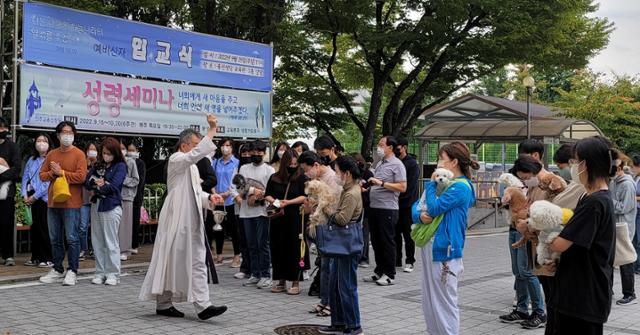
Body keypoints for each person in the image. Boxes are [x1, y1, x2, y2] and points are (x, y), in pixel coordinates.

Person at [139, 114, 228, 320]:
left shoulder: (192, 168)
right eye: (195, 144)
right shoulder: (177, 159)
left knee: (196, 259)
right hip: (176, 218)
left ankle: (203, 305)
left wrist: (209, 197)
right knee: (169, 259)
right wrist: (212, 129)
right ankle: (164, 304)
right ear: (185, 144)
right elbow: (195, 155)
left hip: (191, 218)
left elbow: (196, 192)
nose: (198, 149)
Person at [548, 136, 616, 334]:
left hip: (582, 297)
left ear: (585, 164)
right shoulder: (594, 197)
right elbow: (578, 243)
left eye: (575, 161)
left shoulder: (594, 202)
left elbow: (560, 243)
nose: (573, 166)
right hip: (581, 292)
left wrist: (542, 230)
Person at [412, 141, 477, 335]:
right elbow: (417, 205)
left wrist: (432, 184)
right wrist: (418, 216)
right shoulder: (446, 184)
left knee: (444, 301)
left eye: (442, 159)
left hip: (445, 248)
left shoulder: (461, 187)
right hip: (429, 243)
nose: (438, 163)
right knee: (429, 298)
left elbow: (434, 207)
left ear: (454, 162)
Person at [318, 156, 364, 335]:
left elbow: (342, 219)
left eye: (337, 171)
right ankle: (338, 322)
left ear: (347, 173)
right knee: (335, 284)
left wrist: (325, 208)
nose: (336, 175)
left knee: (346, 286)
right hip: (342, 245)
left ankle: (354, 325)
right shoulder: (348, 189)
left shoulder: (352, 192)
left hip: (347, 245)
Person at [500, 155, 547, 328]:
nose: (524, 180)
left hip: (529, 233)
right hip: (514, 229)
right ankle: (521, 309)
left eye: (526, 177)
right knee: (518, 272)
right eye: (521, 177)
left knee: (528, 272)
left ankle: (539, 312)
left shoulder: (543, 185)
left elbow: (541, 212)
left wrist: (526, 223)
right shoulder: (520, 184)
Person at [39, 121, 88, 286]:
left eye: (70, 132)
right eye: (63, 132)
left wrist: (62, 173)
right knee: (55, 238)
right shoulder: (52, 154)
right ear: (58, 135)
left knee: (72, 238)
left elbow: (81, 177)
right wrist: (54, 174)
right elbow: (42, 175)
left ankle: (72, 270)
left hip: (72, 203)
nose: (67, 135)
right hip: (53, 202)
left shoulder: (79, 154)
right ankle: (57, 268)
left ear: (73, 134)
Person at [299, 150, 341, 315]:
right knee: (324, 266)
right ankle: (324, 301)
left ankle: (331, 303)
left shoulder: (332, 178)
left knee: (330, 267)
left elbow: (332, 204)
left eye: (305, 169)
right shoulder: (315, 179)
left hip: (330, 226)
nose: (305, 173)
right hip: (320, 227)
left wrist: (315, 208)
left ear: (316, 165)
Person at [264, 149, 309, 295]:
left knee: (295, 249)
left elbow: (304, 197)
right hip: (278, 218)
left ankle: (295, 281)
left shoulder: (302, 178)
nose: (293, 166)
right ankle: (281, 280)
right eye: (290, 163)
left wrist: (288, 202)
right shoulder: (274, 177)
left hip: (295, 217)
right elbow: (267, 195)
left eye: (295, 164)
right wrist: (276, 202)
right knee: (278, 248)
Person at [364, 136, 407, 286]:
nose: (379, 147)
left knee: (387, 241)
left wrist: (381, 182)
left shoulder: (397, 164)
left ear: (390, 147)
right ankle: (379, 271)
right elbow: (378, 184)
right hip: (374, 207)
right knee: (376, 242)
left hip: (387, 209)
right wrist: (368, 186)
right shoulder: (381, 163)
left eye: (381, 144)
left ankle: (389, 274)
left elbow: (402, 187)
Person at [85, 137, 126, 285]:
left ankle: (113, 273)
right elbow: (87, 181)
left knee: (110, 241)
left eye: (109, 153)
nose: (105, 155)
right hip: (97, 205)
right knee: (97, 240)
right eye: (103, 152)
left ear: (115, 153)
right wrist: (98, 185)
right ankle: (100, 272)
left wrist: (102, 185)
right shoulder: (98, 165)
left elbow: (114, 186)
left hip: (111, 206)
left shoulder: (120, 166)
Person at [236, 140, 275, 289]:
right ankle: (255, 273)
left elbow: (271, 191)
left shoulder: (269, 170)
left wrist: (258, 196)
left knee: (262, 244)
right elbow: (239, 186)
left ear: (264, 153)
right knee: (251, 244)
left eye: (259, 153)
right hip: (246, 212)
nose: (256, 155)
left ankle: (266, 275)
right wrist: (252, 192)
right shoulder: (244, 168)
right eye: (253, 153)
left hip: (262, 212)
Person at [609, 153, 637, 305]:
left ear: (619, 168)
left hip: (624, 226)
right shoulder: (614, 182)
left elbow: (624, 207)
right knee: (611, 258)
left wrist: (608, 200)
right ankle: (609, 290)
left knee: (626, 259)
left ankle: (630, 294)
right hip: (615, 225)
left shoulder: (627, 184)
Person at [21, 134, 53, 267]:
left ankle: (47, 258)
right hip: (31, 196)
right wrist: (24, 195)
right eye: (38, 140)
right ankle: (36, 257)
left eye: (44, 141)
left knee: (45, 228)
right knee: (35, 228)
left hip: (45, 198)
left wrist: (34, 197)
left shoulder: (52, 160)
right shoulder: (31, 159)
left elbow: (49, 182)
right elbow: (25, 177)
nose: (41, 143)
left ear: (49, 144)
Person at [213, 138, 242, 268]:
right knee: (218, 227)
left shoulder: (237, 163)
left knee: (233, 229)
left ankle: (237, 255)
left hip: (231, 199)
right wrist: (215, 193)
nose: (225, 148)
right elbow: (212, 178)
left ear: (232, 148)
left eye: (228, 145)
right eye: (223, 145)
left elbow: (236, 181)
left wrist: (227, 193)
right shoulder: (215, 162)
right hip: (217, 200)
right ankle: (219, 255)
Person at [395, 137, 420, 273]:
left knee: (408, 234)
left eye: (398, 147)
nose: (396, 150)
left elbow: (410, 187)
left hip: (407, 205)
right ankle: (397, 259)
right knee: (395, 234)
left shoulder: (412, 164)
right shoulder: (393, 162)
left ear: (404, 147)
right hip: (394, 205)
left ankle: (410, 260)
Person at [0, 117, 20, 266]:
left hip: (7, 190)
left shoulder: (13, 147)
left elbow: (16, 169)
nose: (2, 130)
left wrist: (1, 175)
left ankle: (8, 255)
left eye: (4, 128)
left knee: (6, 222)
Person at [233, 143, 253, 279]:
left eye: (248, 154)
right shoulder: (238, 168)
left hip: (255, 207)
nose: (246, 156)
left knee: (255, 241)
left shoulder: (256, 168)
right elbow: (232, 185)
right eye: (243, 154)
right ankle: (245, 268)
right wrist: (238, 198)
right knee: (244, 239)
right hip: (240, 208)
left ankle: (257, 268)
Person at [352, 153, 374, 268]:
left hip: (366, 205)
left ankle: (364, 257)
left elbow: (370, 189)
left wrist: (362, 189)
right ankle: (355, 255)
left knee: (365, 232)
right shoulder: (351, 174)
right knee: (354, 230)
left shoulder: (368, 173)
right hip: (354, 206)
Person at [196, 149, 218, 261]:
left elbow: (212, 180)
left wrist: (198, 186)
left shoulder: (202, 160)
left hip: (201, 202)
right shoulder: (177, 159)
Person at [119, 141, 139, 261]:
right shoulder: (112, 162)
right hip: (114, 196)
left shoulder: (131, 162)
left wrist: (123, 180)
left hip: (127, 196)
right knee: (116, 225)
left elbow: (136, 180)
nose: (121, 150)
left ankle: (125, 250)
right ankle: (116, 248)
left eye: (123, 148)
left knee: (126, 224)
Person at [80, 143, 99, 260]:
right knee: (82, 226)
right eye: (90, 149)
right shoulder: (82, 163)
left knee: (95, 226)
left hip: (95, 200)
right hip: (83, 200)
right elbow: (81, 178)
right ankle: (83, 249)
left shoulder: (100, 165)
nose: (92, 151)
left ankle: (94, 249)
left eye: (94, 149)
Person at [127, 141, 146, 254]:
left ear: (137, 151)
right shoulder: (124, 162)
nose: (130, 152)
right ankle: (125, 243)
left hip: (136, 197)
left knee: (134, 221)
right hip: (125, 197)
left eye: (132, 150)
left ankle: (134, 244)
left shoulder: (140, 163)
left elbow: (141, 181)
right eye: (129, 150)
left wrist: (135, 194)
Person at [632, 155, 640, 274]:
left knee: (638, 240)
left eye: (634, 167)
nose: (632, 169)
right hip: (635, 211)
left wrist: (633, 198)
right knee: (634, 239)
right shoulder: (635, 178)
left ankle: (638, 266)